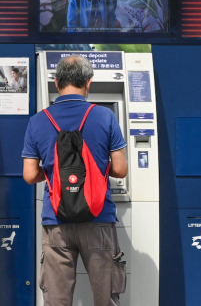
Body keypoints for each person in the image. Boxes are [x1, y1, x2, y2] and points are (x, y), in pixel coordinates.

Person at [22, 55, 128, 306]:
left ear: (56, 82)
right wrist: (96, 172)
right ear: (88, 82)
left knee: (56, 299)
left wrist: (53, 173)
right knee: (106, 298)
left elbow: (29, 175)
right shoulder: (104, 117)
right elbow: (121, 169)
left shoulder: (38, 121)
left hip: (56, 220)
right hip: (98, 218)